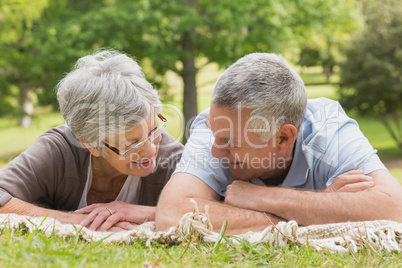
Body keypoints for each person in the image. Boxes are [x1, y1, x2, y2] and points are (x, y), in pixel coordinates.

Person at [155, 53, 402, 234]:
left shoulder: (328, 128)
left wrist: (262, 197)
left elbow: (394, 209)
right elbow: (173, 213)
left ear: (282, 137)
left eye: (230, 143)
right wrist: (317, 210)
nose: (215, 151)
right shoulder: (216, 126)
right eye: (216, 137)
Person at [0, 50, 183, 231]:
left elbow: (209, 209)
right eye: (131, 144)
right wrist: (80, 222)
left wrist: (141, 213)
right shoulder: (59, 149)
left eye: (153, 130)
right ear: (89, 143)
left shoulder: (173, 157)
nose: (150, 150)